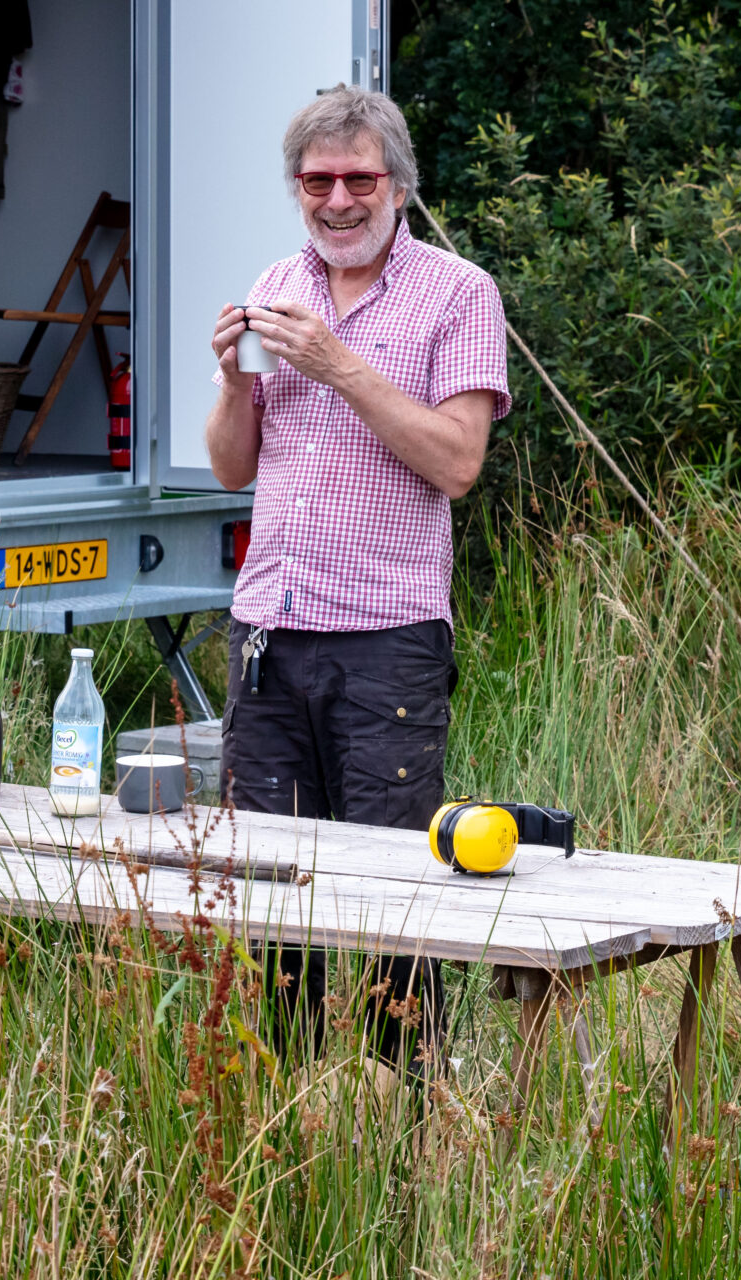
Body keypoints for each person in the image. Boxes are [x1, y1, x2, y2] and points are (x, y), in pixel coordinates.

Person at [203, 87, 512, 1074]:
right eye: (318, 181)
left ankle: (408, 1121)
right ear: (296, 188)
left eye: (360, 179)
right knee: (271, 899)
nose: (339, 199)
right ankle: (282, 1119)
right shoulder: (275, 281)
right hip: (268, 638)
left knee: (394, 901)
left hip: (386, 642)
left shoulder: (457, 293)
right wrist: (230, 382)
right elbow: (229, 467)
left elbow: (457, 463)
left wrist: (341, 366)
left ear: (401, 187)